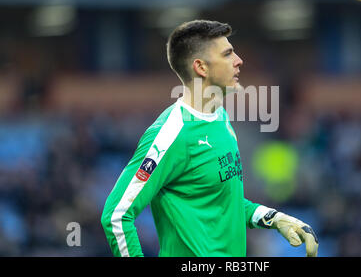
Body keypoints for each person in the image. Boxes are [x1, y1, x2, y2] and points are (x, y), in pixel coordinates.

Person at [101, 20, 318, 257]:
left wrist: (275, 218)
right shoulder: (171, 134)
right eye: (227, 54)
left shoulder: (221, 119)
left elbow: (224, 203)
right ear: (201, 68)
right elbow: (116, 215)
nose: (238, 60)